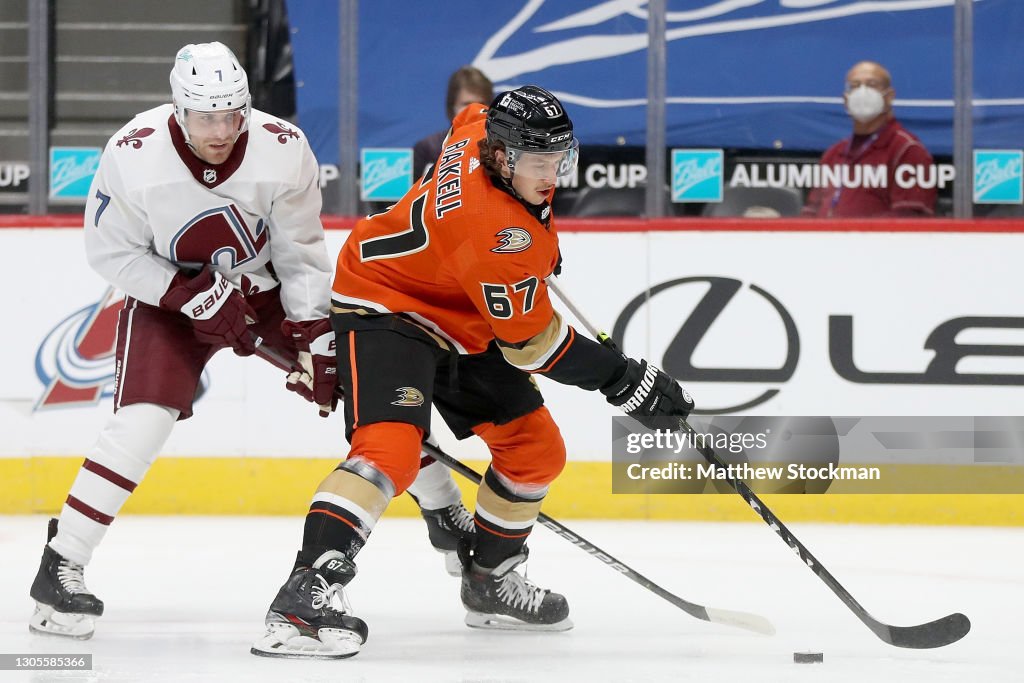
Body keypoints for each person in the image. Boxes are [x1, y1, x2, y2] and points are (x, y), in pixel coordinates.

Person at [28, 41, 471, 641]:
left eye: (232, 114)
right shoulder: (133, 153)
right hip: (169, 295)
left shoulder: (282, 147)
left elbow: (300, 251)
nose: (221, 130)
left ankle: (447, 516)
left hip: (263, 292)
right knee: (142, 421)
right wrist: (186, 295)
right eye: (206, 116)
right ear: (179, 110)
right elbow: (109, 252)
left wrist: (315, 335)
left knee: (369, 398)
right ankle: (62, 565)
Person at [251, 86, 695, 659]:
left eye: (560, 158)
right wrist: (623, 379)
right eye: (540, 162)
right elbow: (534, 347)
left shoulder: (480, 127)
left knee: (536, 451)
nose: (554, 173)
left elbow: (470, 114)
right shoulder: (494, 235)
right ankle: (304, 595)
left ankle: (489, 581)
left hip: (463, 308)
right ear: (503, 158)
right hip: (386, 303)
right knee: (388, 447)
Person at [802, 60, 936, 218]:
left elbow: (909, 219)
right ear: (845, 99)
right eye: (855, 86)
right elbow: (811, 211)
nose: (862, 92)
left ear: (889, 96)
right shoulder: (834, 153)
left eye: (872, 84)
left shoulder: (907, 150)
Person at [412, 65, 494, 179]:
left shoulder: (499, 149)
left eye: (480, 104)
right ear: (452, 107)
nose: (473, 111)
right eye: (467, 104)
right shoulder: (427, 149)